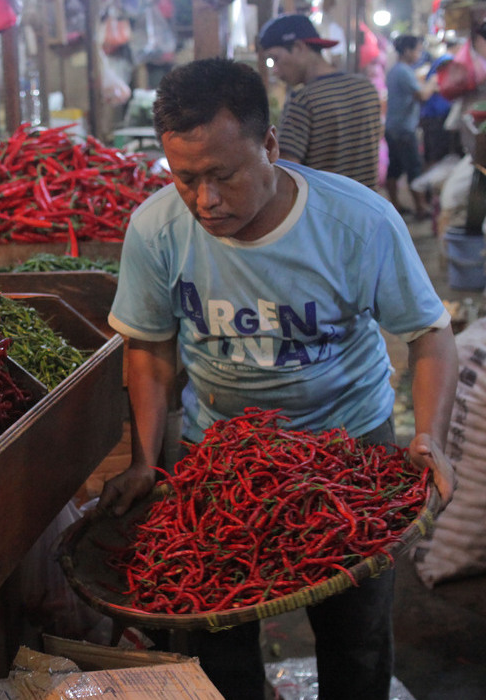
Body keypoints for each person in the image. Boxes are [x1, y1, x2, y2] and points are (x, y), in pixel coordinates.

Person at [101, 57, 458, 699]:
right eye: (185, 178)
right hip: (219, 457)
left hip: (350, 453)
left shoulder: (358, 222)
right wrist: (145, 459)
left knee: (356, 638)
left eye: (223, 175)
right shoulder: (155, 229)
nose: (205, 200)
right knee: (214, 639)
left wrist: (429, 437)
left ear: (269, 145)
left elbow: (430, 336)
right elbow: (150, 351)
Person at [258, 13, 382, 189]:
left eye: (275, 59)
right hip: (368, 208)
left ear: (299, 47)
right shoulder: (366, 88)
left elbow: (287, 173)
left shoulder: (303, 100)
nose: (276, 71)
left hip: (325, 211)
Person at [385, 35, 439, 218]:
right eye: (417, 50)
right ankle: (421, 207)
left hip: (394, 126)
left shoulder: (396, 70)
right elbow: (422, 95)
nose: (419, 54)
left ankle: (396, 205)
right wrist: (433, 82)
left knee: (395, 167)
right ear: (407, 51)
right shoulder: (403, 71)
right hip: (403, 128)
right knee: (413, 167)